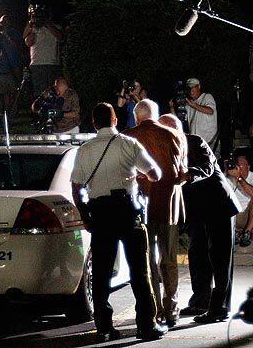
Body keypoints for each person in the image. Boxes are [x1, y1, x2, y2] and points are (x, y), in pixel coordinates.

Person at [71, 102, 167, 342]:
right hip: (127, 210)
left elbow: (76, 187)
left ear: (94, 123)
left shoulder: (85, 149)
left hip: (101, 213)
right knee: (139, 271)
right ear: (115, 121)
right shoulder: (128, 144)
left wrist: (85, 215)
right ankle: (146, 325)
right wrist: (137, 173)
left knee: (101, 272)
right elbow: (156, 174)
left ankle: (104, 327)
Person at [159, 114, 241, 323]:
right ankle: (200, 301)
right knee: (198, 254)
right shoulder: (167, 150)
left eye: (165, 131)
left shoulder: (194, 141)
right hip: (198, 211)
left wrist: (186, 174)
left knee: (220, 257)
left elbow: (206, 167)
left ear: (176, 129)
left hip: (218, 206)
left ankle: (220, 308)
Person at [124, 99, 187, 327]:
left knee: (147, 260)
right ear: (156, 114)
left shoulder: (128, 136)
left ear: (136, 116)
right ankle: (171, 307)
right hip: (169, 206)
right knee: (169, 258)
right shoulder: (174, 135)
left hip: (141, 208)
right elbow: (182, 174)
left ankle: (154, 308)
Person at [23, 4, 63, 98]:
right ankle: (40, 112)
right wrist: (33, 27)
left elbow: (60, 37)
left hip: (53, 64)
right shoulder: (32, 29)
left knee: (54, 92)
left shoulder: (55, 27)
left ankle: (52, 111)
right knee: (40, 93)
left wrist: (46, 23)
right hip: (37, 64)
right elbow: (28, 42)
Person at [226, 155, 253, 245]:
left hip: (249, 215)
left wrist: (239, 178)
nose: (238, 169)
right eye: (237, 166)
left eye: (241, 166)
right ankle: (234, 232)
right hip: (233, 215)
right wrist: (224, 173)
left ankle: (247, 233)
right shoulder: (228, 177)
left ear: (248, 167)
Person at [171, 78, 218, 151]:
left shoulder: (207, 97)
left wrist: (194, 105)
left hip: (210, 142)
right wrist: (172, 107)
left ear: (199, 86)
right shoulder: (190, 104)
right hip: (196, 143)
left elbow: (210, 111)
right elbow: (179, 121)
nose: (191, 90)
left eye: (193, 87)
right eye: (189, 88)